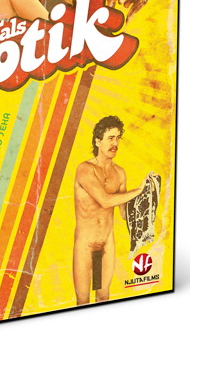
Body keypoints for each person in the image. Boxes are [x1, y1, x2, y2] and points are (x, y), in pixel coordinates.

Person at [73, 116, 144, 305]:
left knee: (103, 298)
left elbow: (123, 213)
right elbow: (105, 201)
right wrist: (138, 191)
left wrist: (147, 200)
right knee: (83, 300)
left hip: (107, 243)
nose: (115, 143)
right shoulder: (85, 169)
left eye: (118, 138)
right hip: (85, 244)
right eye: (110, 138)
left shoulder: (120, 173)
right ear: (98, 141)